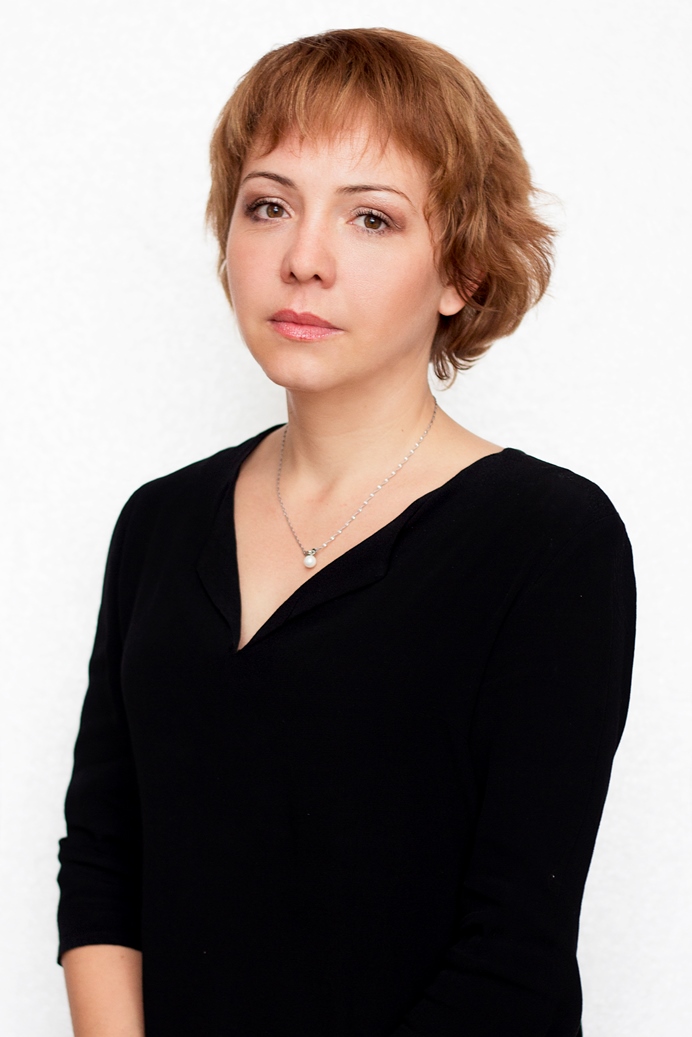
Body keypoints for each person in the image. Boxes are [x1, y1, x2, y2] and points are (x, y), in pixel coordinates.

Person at [57, 27, 636, 1037]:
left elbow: (511, 955)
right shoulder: (159, 522)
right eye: (268, 205)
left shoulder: (548, 540)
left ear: (460, 273)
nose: (302, 260)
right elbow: (105, 861)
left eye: (371, 217)